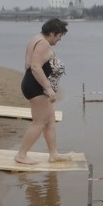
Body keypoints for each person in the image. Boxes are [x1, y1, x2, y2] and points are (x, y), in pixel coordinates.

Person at [14, 18, 73, 165]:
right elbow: (35, 66)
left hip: (33, 83)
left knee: (50, 121)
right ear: (52, 33)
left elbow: (27, 63)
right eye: (59, 36)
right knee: (39, 122)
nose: (59, 40)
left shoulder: (36, 38)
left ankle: (53, 154)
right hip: (36, 87)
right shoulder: (43, 43)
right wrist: (47, 87)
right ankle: (21, 155)